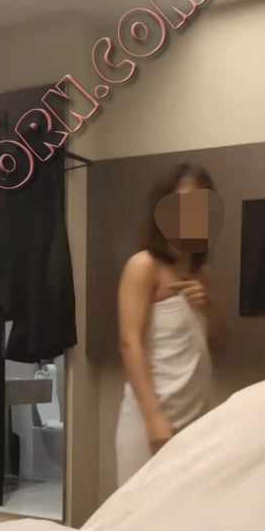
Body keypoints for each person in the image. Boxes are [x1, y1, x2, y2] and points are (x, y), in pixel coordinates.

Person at [115, 163, 224, 487]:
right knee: (138, 512)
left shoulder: (202, 275)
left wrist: (208, 304)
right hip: (152, 420)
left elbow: (220, 339)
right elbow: (129, 343)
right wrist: (154, 419)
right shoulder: (143, 266)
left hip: (197, 418)